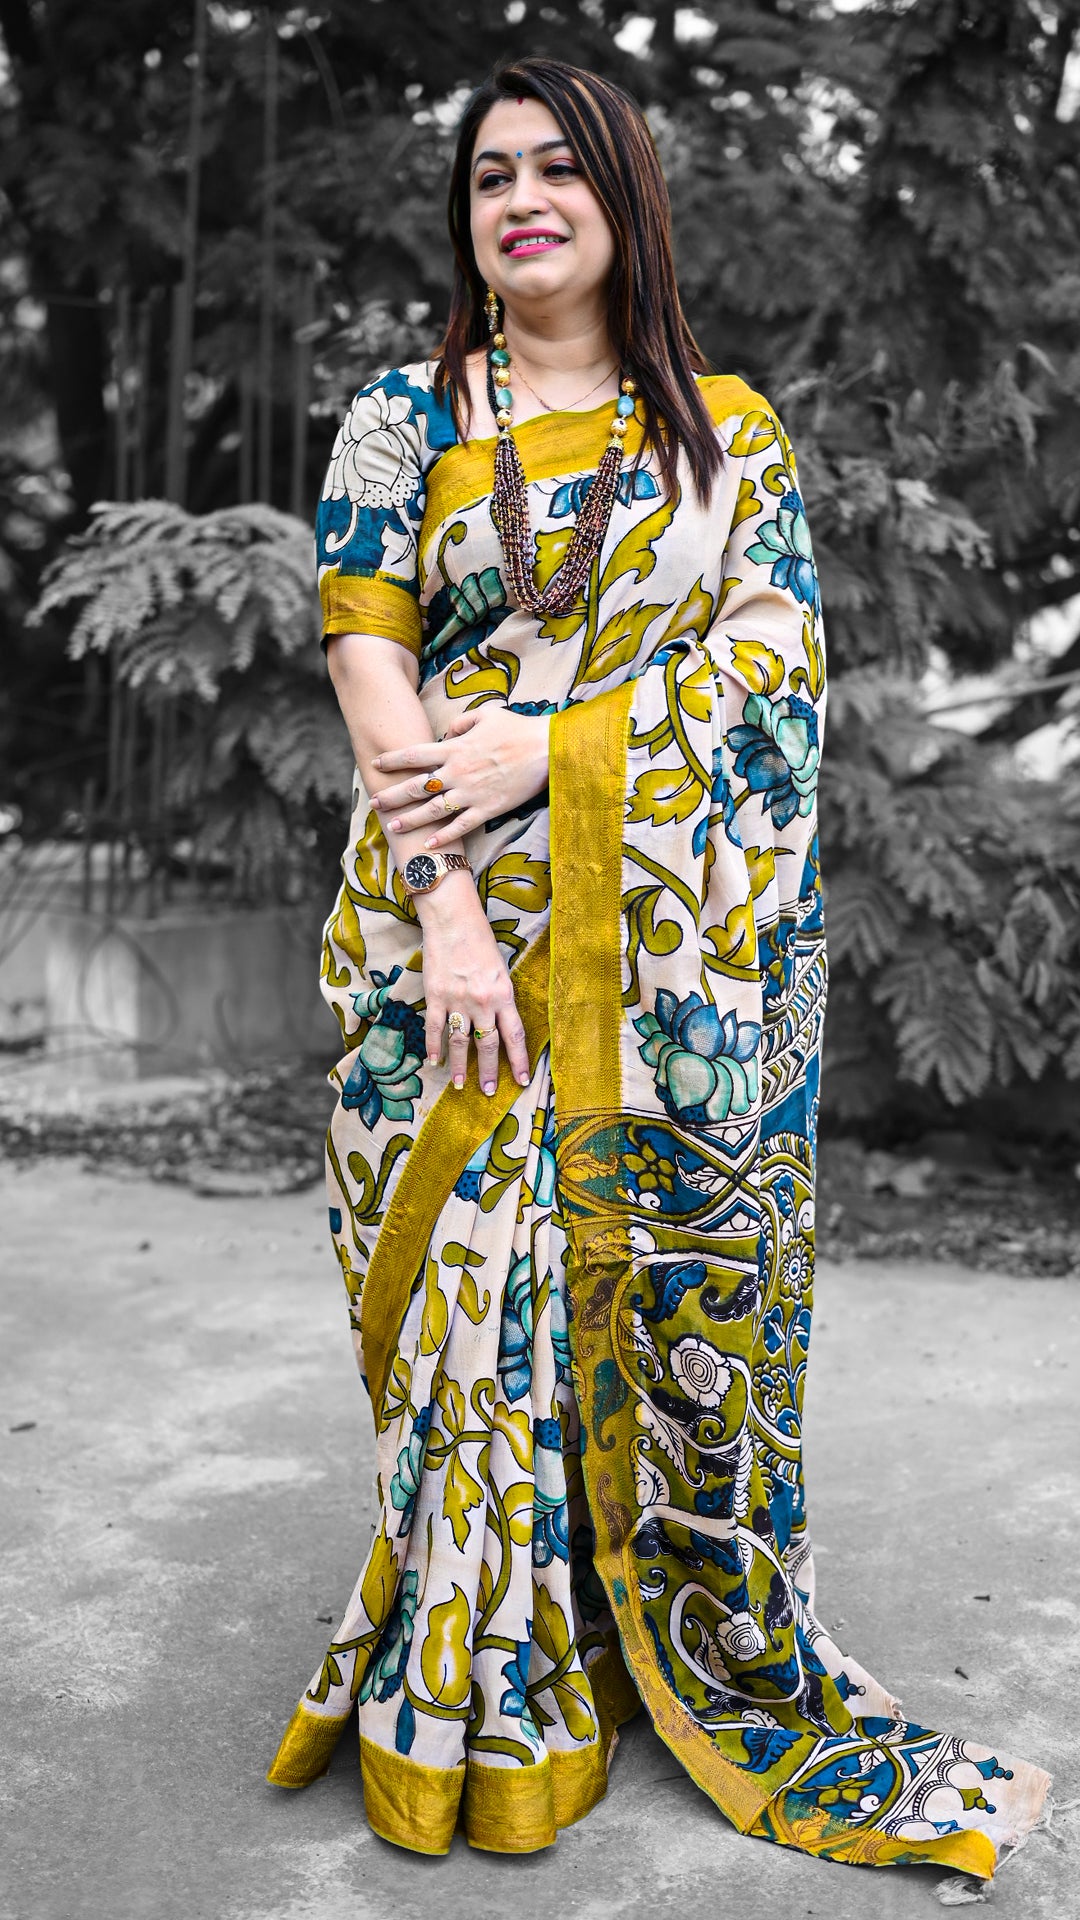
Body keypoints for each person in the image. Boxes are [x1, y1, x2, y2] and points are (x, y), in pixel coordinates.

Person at [268, 55, 1049, 1876]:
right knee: (470, 1309)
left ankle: (647, 1633)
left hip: (666, 965)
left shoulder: (727, 437)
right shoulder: (400, 418)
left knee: (636, 1298)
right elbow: (369, 665)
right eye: (489, 177)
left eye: (556, 169)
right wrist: (452, 914)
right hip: (442, 930)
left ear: (623, 197)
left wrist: (557, 747)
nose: (520, 201)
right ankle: (489, 1680)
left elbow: (774, 684)